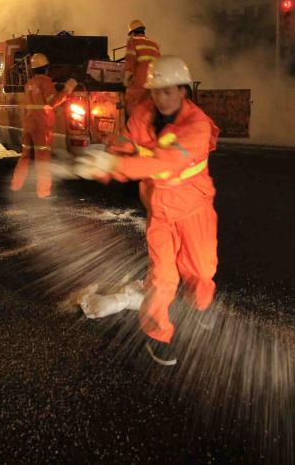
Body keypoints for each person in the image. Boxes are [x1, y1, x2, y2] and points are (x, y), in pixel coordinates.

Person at [75, 56, 219, 366]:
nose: (161, 98)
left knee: (201, 273)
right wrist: (102, 158)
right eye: (155, 91)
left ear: (183, 90)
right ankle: (158, 334)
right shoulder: (143, 113)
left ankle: (200, 305)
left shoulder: (197, 126)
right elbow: (125, 142)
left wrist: (115, 165)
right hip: (159, 210)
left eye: (167, 91)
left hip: (194, 210)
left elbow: (164, 163)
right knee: (161, 277)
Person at [10, 53, 77, 198]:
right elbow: (52, 102)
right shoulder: (45, 82)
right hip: (41, 126)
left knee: (25, 156)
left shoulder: (29, 84)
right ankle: (43, 192)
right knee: (42, 159)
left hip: (29, 124)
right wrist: (68, 89)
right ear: (46, 68)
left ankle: (15, 185)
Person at [122, 19, 161, 116]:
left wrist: (125, 81)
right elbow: (160, 63)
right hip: (154, 84)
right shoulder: (154, 44)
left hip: (139, 84)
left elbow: (130, 62)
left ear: (132, 33)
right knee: (150, 113)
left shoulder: (133, 41)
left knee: (133, 111)